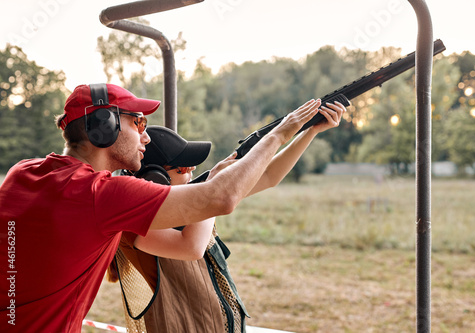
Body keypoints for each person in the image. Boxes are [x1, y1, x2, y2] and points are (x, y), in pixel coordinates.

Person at [0, 82, 344, 332]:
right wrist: (280, 134)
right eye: (137, 123)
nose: (144, 136)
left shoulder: (24, 172)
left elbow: (257, 180)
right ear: (102, 126)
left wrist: (306, 132)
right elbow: (220, 200)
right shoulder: (99, 194)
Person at [110, 88, 346, 333]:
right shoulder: (133, 222)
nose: (191, 171)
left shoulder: (190, 200)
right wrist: (214, 187)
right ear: (155, 178)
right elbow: (191, 246)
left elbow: (268, 175)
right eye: (183, 168)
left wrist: (309, 131)